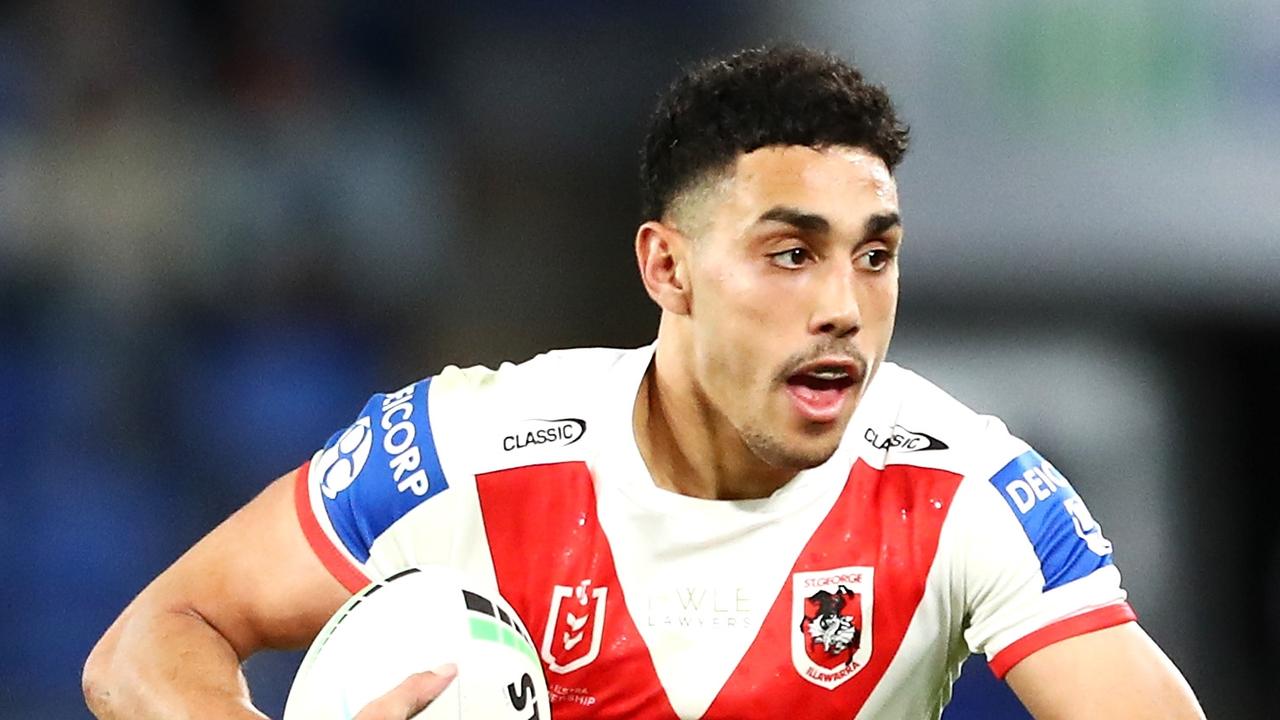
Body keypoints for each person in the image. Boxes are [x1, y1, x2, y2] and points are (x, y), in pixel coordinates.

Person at [83, 45, 1205, 719]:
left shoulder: (964, 490)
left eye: (875, 253)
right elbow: (151, 639)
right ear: (665, 266)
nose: (842, 305)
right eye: (788, 251)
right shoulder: (467, 452)